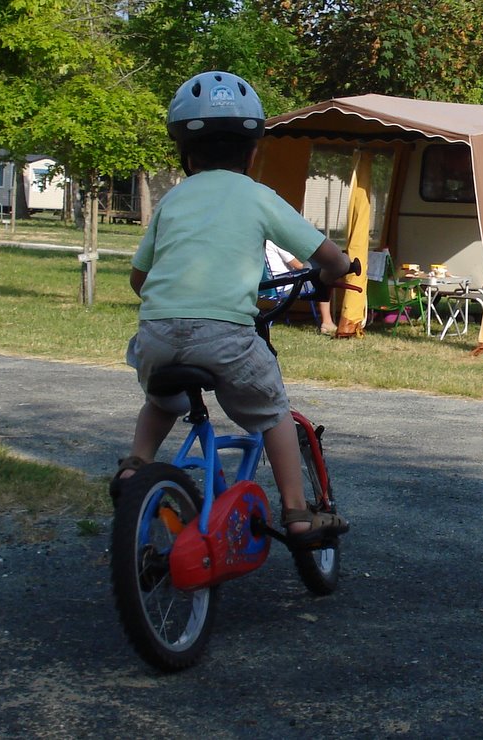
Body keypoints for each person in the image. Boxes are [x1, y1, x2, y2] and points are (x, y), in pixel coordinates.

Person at [111, 71, 352, 547]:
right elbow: (330, 259)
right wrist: (333, 273)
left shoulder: (173, 200)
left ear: (184, 151)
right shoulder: (260, 197)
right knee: (272, 413)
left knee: (162, 400)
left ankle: (134, 466)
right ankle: (297, 513)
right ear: (254, 150)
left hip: (157, 334)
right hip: (226, 336)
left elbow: (139, 278)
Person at [265, 239, 337, 334]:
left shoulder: (260, 243)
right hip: (285, 287)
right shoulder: (276, 242)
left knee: (315, 271)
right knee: (324, 277)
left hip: (268, 287)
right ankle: (327, 323)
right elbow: (299, 265)